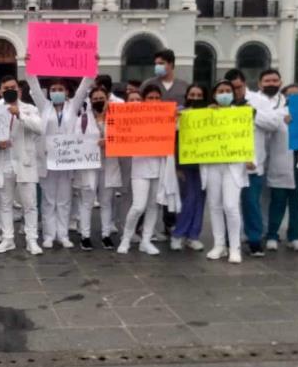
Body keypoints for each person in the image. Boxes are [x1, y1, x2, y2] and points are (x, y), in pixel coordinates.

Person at [26, 71, 93, 250]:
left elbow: (84, 87)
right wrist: (29, 66)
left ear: (66, 92)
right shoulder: (44, 106)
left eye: (60, 89)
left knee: (64, 200)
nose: (56, 92)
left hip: (67, 161)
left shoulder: (72, 107)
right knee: (48, 200)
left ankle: (62, 235)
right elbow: (33, 85)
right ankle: (49, 235)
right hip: (48, 160)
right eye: (53, 89)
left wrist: (92, 67)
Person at [241, 69, 292, 257]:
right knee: (252, 200)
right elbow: (272, 121)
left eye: (274, 80)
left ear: (280, 82)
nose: (271, 83)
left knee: (275, 197)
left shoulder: (285, 102)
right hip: (255, 158)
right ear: (260, 84)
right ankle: (251, 232)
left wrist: (256, 115)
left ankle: (271, 233)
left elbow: (274, 123)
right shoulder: (253, 99)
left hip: (278, 155)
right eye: (267, 80)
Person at [0, 76, 45, 255]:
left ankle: (32, 240)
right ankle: (8, 239)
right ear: (0, 90)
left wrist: (19, 114)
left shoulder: (29, 109)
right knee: (5, 203)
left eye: (13, 87)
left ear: (19, 90)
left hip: (24, 162)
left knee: (29, 203)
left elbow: (39, 128)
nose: (9, 90)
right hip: (4, 160)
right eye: (5, 88)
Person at [202, 81, 252, 264]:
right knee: (214, 205)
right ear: (214, 95)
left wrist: (249, 157)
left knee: (231, 206)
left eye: (228, 91)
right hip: (212, 164)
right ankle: (219, 245)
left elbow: (248, 135)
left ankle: (235, 247)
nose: (224, 94)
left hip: (233, 165)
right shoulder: (206, 114)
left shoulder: (241, 113)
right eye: (220, 91)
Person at [118, 85, 167, 255]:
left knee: (154, 205)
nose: (154, 101)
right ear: (144, 100)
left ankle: (146, 240)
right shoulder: (134, 117)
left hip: (159, 166)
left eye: (157, 98)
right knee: (138, 206)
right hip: (140, 166)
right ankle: (126, 237)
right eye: (150, 98)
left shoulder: (165, 117)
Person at [73, 87, 122, 250]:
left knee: (106, 202)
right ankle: (85, 236)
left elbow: (123, 138)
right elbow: (77, 141)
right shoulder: (83, 119)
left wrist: (110, 141)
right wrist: (94, 144)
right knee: (87, 202)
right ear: (90, 101)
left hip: (109, 164)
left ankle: (106, 235)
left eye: (101, 98)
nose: (98, 101)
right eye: (95, 99)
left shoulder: (116, 118)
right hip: (90, 166)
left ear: (107, 99)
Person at [169, 84, 208, 252]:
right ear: (187, 96)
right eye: (193, 94)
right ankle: (178, 234)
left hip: (204, 163)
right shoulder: (179, 112)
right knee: (188, 198)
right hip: (184, 163)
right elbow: (171, 138)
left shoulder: (209, 114)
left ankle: (193, 236)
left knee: (200, 199)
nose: (196, 98)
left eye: (199, 95)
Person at [265, 84, 298, 251]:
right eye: (290, 95)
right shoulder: (277, 114)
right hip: (281, 164)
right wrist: (284, 121)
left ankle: (294, 236)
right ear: (284, 97)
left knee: (297, 203)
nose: (293, 98)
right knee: (278, 202)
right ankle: (272, 235)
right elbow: (267, 132)